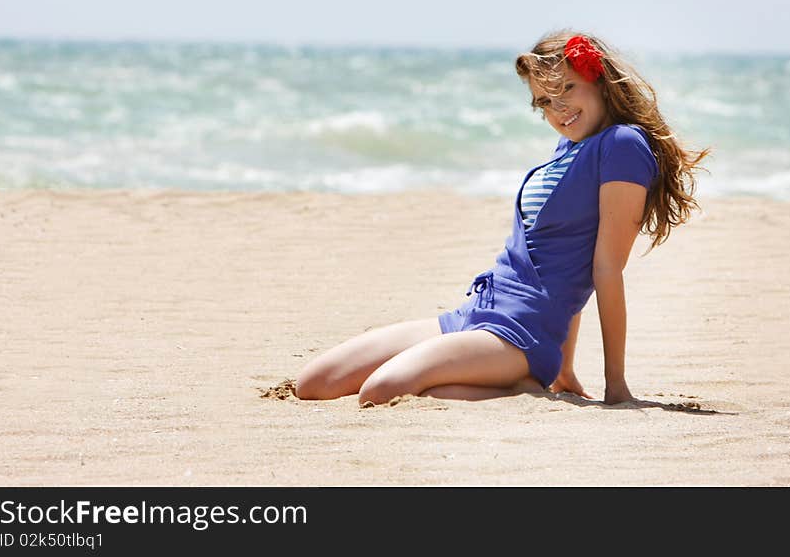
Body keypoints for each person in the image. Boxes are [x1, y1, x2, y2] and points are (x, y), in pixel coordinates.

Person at [295, 31, 710, 406]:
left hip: (523, 335)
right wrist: (566, 373)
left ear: (598, 79)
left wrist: (615, 384)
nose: (558, 109)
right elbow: (558, 253)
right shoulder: (568, 148)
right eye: (545, 101)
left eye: (567, 88)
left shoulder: (621, 146)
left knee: (380, 391)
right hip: (478, 310)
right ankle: (515, 380)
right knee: (315, 383)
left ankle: (519, 384)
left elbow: (604, 268)